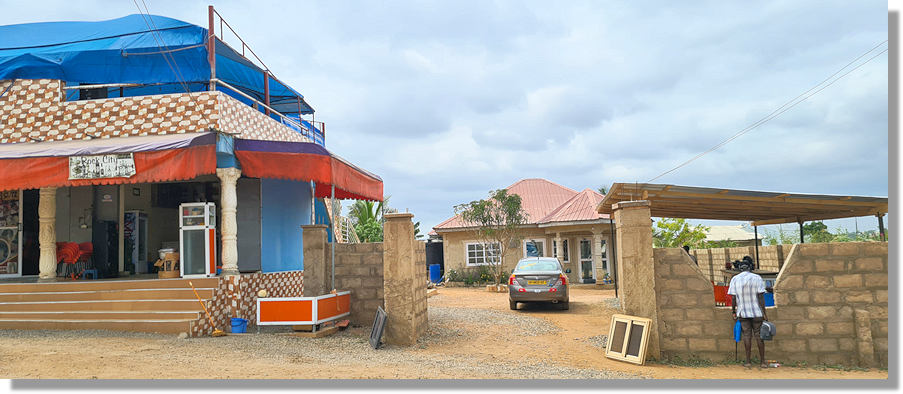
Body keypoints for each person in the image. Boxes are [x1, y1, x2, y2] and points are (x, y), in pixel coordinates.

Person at [728, 256, 768, 368]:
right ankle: (763, 362)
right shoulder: (757, 278)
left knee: (747, 335)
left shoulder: (735, 279)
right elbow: (761, 297)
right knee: (758, 335)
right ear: (750, 267)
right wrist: (764, 313)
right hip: (756, 312)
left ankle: (748, 361)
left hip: (743, 312)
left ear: (740, 268)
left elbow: (733, 298)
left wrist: (733, 312)